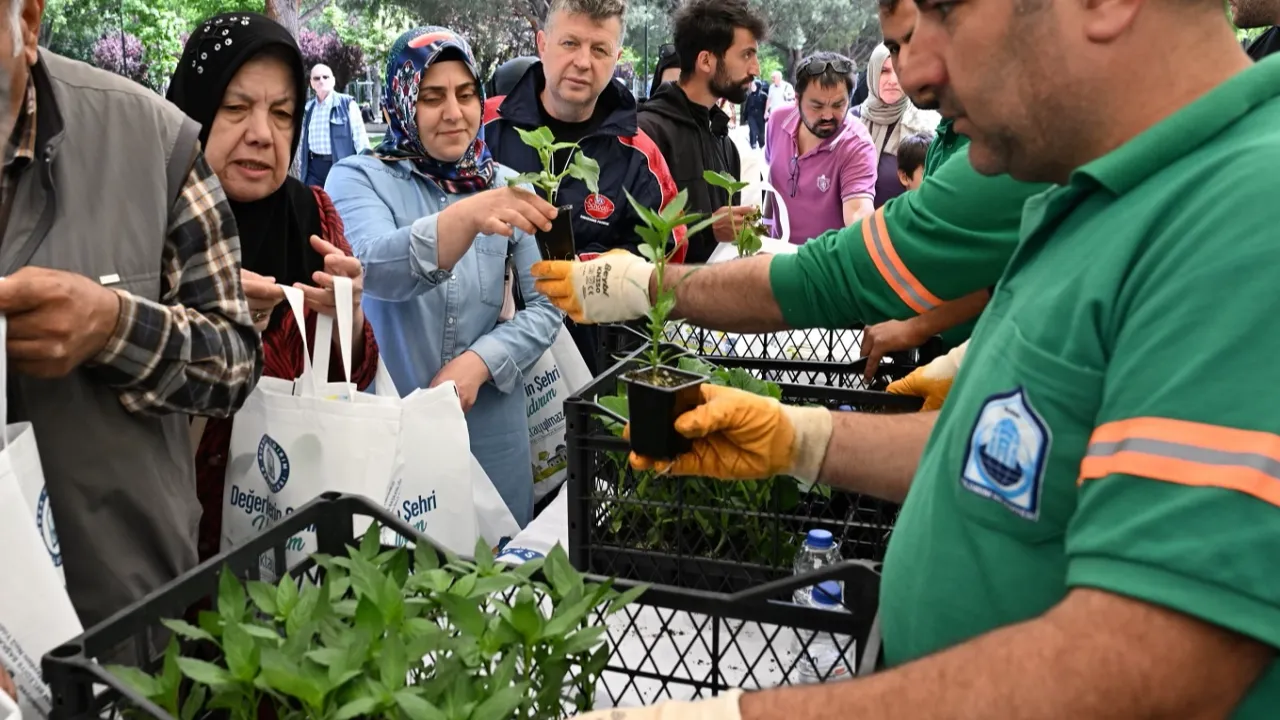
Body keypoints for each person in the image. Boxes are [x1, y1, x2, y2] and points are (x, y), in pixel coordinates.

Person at [570, 0, 1280, 715]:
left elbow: (1157, 663)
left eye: (945, 11)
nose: (917, 72)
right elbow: (1020, 463)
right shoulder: (1090, 189)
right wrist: (805, 438)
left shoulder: (1247, 214)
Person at [529, 0, 1055, 401]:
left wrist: (643, 283)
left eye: (918, 39)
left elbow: (837, 271)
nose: (910, 74)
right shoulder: (964, 142)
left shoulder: (1000, 156)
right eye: (896, 50)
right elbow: (1006, 280)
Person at [0, 0, 261, 655]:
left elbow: (233, 362)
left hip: (116, 619)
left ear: (26, 23)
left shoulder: (151, 142)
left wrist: (112, 327)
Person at [326, 27, 561, 528]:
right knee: (396, 566)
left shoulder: (505, 184)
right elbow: (373, 268)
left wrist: (481, 362)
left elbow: (548, 302)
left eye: (466, 94)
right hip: (392, 419)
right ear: (402, 101)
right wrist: (467, 217)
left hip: (490, 425)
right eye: (431, 98)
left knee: (499, 564)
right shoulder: (358, 176)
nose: (454, 112)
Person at [167, 13, 380, 563]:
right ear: (194, 111)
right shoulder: (149, 222)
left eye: (282, 113)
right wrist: (208, 318)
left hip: (297, 540)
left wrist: (349, 313)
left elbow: (350, 381)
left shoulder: (313, 216)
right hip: (172, 540)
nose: (262, 133)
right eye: (235, 108)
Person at [482, 0, 685, 373]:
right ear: (543, 44)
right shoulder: (485, 126)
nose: (582, 62)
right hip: (484, 359)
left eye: (599, 50)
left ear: (616, 58)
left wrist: (588, 271)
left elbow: (667, 253)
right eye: (570, 43)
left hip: (593, 369)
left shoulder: (640, 155)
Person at [638, 0, 766, 262]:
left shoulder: (724, 141)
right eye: (746, 55)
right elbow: (630, 240)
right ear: (706, 60)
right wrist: (708, 229)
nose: (756, 69)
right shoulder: (646, 134)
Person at [764, 51, 876, 242]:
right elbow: (772, 177)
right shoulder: (778, 120)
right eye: (817, 106)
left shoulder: (857, 144)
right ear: (797, 100)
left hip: (824, 259)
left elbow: (858, 212)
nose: (827, 115)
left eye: (838, 105)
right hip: (777, 251)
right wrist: (765, 228)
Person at [855, 44, 939, 206]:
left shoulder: (928, 124)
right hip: (854, 220)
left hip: (908, 219)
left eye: (900, 71)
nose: (893, 81)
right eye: (884, 71)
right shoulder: (851, 121)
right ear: (873, 72)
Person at [298, 62, 371, 187]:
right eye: (316, 78)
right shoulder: (309, 109)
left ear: (333, 81)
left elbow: (361, 141)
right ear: (311, 83)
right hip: (314, 170)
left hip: (340, 167)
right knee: (311, 200)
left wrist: (366, 171)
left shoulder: (348, 104)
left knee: (338, 200)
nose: (321, 81)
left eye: (325, 77)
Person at [741, 79, 767, 149]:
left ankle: (761, 143)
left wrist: (766, 114)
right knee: (753, 129)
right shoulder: (750, 96)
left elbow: (767, 106)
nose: (752, 87)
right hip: (751, 115)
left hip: (760, 115)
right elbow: (747, 106)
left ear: (758, 86)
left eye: (753, 85)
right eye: (751, 85)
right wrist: (745, 116)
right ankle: (753, 143)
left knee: (761, 131)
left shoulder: (764, 95)